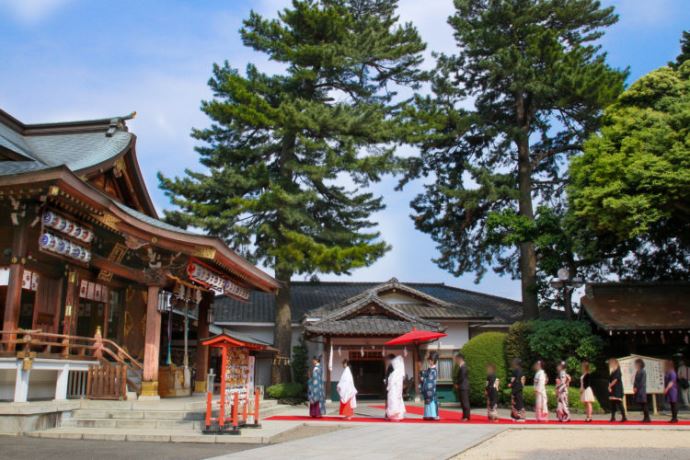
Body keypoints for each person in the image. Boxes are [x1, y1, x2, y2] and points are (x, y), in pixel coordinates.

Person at [386, 355, 406, 421]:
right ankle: (398, 416)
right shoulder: (400, 373)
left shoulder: (395, 373)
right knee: (398, 402)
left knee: (393, 402)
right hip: (398, 391)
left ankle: (394, 416)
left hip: (393, 391)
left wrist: (388, 385)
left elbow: (391, 381)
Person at [421, 353, 440, 420]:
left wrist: (424, 377)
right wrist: (423, 377)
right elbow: (424, 374)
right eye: (429, 360)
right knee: (427, 401)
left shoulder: (434, 370)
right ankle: (427, 415)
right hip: (427, 388)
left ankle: (434, 415)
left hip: (431, 388)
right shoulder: (429, 369)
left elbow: (431, 379)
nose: (430, 361)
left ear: (434, 361)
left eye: (431, 360)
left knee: (433, 401)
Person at [608, 358, 627, 422]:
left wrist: (610, 386)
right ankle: (613, 417)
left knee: (619, 402)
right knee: (613, 403)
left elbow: (615, 380)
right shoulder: (613, 370)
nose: (610, 364)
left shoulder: (618, 370)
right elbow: (611, 380)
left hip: (617, 388)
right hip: (613, 388)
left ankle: (624, 417)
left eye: (611, 363)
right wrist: (610, 386)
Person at [507, 358, 526, 422]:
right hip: (519, 389)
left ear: (516, 364)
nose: (512, 363)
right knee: (517, 402)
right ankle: (515, 416)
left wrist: (513, 389)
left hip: (517, 389)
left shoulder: (517, 371)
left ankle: (519, 417)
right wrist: (511, 384)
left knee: (517, 403)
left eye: (514, 362)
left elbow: (517, 381)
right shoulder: (520, 371)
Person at [633, 358, 651, 423]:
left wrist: (637, 388)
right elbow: (635, 381)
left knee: (644, 404)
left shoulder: (643, 371)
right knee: (642, 404)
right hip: (638, 389)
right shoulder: (637, 371)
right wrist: (634, 387)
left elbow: (642, 382)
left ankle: (647, 418)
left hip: (642, 390)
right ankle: (645, 417)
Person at [454, 352, 471, 421]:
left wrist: (457, 384)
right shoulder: (461, 366)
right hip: (462, 386)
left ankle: (466, 416)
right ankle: (464, 416)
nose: (456, 361)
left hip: (463, 386)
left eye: (456, 359)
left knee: (465, 402)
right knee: (463, 402)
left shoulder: (463, 367)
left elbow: (462, 377)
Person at [383, 354, 396, 419]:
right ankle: (387, 413)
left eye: (388, 359)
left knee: (390, 400)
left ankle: (389, 414)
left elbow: (392, 377)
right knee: (388, 400)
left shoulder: (393, 366)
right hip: (388, 384)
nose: (387, 360)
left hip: (391, 385)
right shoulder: (390, 366)